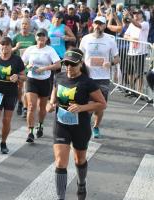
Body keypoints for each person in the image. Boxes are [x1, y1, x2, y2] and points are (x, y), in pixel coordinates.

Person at [46, 48, 106, 200]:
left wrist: (82, 108)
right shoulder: (58, 76)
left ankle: (81, 182)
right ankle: (61, 197)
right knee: (60, 162)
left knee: (79, 160)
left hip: (80, 127)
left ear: (80, 64)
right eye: (66, 63)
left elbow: (101, 104)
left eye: (72, 64)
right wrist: (50, 104)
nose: (69, 67)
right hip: (61, 125)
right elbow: (53, 95)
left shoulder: (87, 82)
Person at [79, 16, 119, 138]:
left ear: (104, 26)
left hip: (103, 78)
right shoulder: (86, 39)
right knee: (87, 103)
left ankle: (96, 126)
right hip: (87, 76)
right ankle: (85, 126)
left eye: (100, 24)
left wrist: (110, 63)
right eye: (96, 24)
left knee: (100, 106)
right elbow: (80, 56)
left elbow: (117, 58)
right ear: (93, 25)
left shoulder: (110, 40)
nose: (97, 26)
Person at [0, 36, 25, 154]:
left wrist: (18, 77)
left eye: (7, 45)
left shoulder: (17, 60)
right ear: (0, 46)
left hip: (10, 93)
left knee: (6, 121)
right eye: (2, 44)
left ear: (11, 46)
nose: (4, 47)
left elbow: (24, 76)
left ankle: (3, 142)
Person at [22, 28, 61, 143]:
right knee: (31, 106)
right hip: (32, 80)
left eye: (43, 36)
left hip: (45, 80)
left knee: (42, 107)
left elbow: (58, 65)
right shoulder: (30, 49)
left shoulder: (50, 50)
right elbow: (22, 62)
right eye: (39, 36)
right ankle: (30, 132)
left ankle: (40, 124)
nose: (41, 38)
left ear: (46, 38)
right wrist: (27, 66)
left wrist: (44, 68)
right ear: (36, 38)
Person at [12, 18, 36, 117]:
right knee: (20, 88)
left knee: (26, 88)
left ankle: (25, 108)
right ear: (20, 26)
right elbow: (10, 51)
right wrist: (16, 48)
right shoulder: (16, 37)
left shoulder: (33, 38)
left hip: (29, 66)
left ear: (30, 26)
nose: (24, 26)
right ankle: (20, 102)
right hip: (18, 65)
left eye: (26, 24)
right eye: (22, 24)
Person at [124, 9, 150, 93]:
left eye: (138, 13)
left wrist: (129, 17)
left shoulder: (145, 23)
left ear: (142, 15)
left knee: (139, 73)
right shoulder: (131, 24)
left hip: (140, 52)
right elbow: (125, 35)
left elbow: (138, 25)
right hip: (131, 51)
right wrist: (131, 38)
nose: (135, 15)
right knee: (129, 72)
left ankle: (139, 92)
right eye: (134, 13)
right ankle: (132, 90)